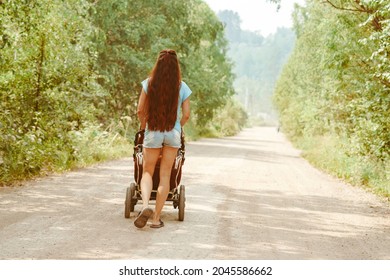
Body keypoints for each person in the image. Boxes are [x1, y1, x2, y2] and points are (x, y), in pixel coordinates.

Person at [134, 49, 192, 229]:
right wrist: (178, 127)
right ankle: (156, 219)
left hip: (153, 132)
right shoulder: (182, 87)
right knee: (165, 174)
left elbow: (140, 111)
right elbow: (187, 114)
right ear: (176, 67)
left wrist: (144, 126)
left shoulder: (148, 84)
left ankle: (144, 206)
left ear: (158, 65)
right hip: (172, 133)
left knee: (147, 172)